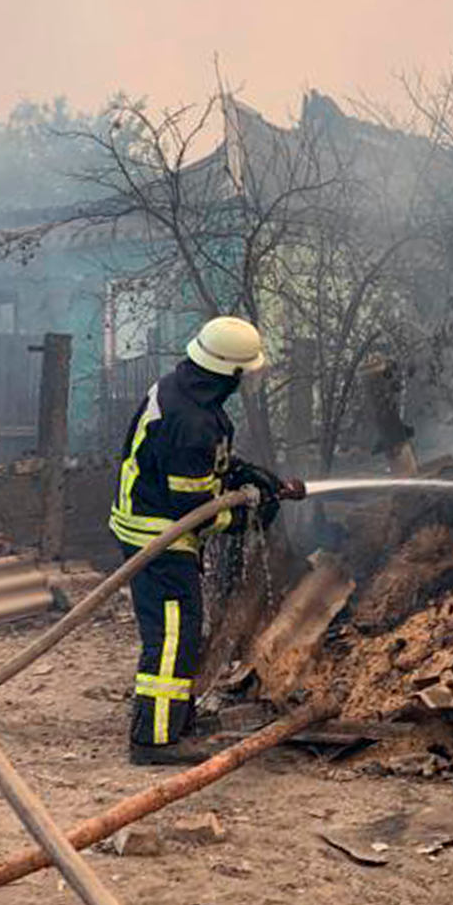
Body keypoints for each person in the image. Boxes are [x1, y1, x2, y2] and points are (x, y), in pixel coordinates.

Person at [109, 315, 287, 765]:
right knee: (173, 635)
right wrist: (243, 517)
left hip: (151, 527)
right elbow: (192, 510)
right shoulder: (191, 421)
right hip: (159, 540)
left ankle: (172, 719)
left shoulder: (185, 392)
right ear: (229, 372)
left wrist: (241, 471)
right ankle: (155, 740)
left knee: (180, 631)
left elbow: (200, 466)